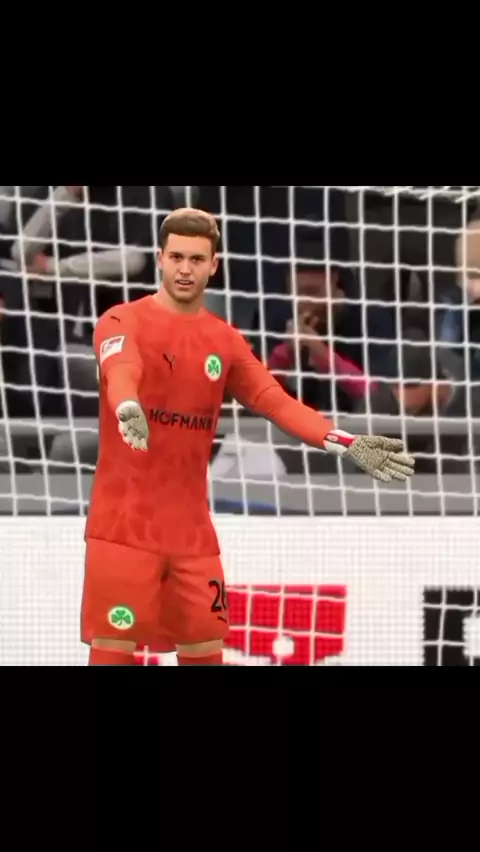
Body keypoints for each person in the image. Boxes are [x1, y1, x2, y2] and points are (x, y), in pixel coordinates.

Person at [81, 208, 415, 667]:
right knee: (114, 651)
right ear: (159, 259)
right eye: (176, 257)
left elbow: (276, 402)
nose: (185, 269)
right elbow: (122, 369)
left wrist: (346, 442)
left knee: (205, 651)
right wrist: (126, 406)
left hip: (191, 533)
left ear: (213, 265)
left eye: (196, 259)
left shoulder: (225, 340)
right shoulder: (121, 321)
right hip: (123, 528)